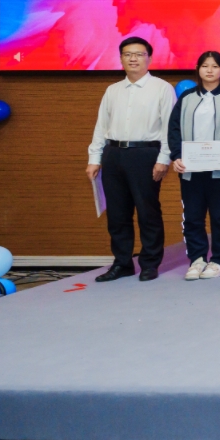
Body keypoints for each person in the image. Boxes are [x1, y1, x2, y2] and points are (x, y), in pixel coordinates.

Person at [86, 36, 177, 282]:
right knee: (117, 214)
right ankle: (122, 263)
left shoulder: (162, 88)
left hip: (145, 154)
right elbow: (101, 127)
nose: (133, 59)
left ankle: (150, 263)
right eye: (127, 54)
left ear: (149, 58)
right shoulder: (113, 90)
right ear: (121, 59)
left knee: (148, 212)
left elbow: (170, 128)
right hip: (113, 154)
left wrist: (164, 159)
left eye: (138, 54)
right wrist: (94, 158)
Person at [168, 51, 220, 280]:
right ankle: (197, 258)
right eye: (205, 66)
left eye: (214, 66)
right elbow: (174, 129)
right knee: (192, 216)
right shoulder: (187, 97)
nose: (209, 70)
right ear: (198, 69)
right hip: (191, 170)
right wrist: (177, 156)